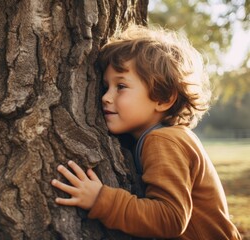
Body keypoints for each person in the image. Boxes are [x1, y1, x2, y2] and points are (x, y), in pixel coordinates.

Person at [51, 25, 242, 239]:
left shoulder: (164, 141)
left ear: (163, 98)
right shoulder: (163, 137)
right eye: (106, 87)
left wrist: (101, 199)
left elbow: (171, 218)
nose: (105, 97)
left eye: (121, 86)